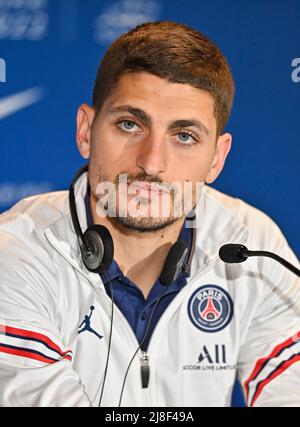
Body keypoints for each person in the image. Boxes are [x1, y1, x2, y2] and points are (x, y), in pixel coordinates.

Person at [0, 21, 299, 407]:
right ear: (86, 132)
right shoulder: (17, 255)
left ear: (217, 159)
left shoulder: (250, 245)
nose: (152, 162)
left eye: (184, 136)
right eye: (130, 124)